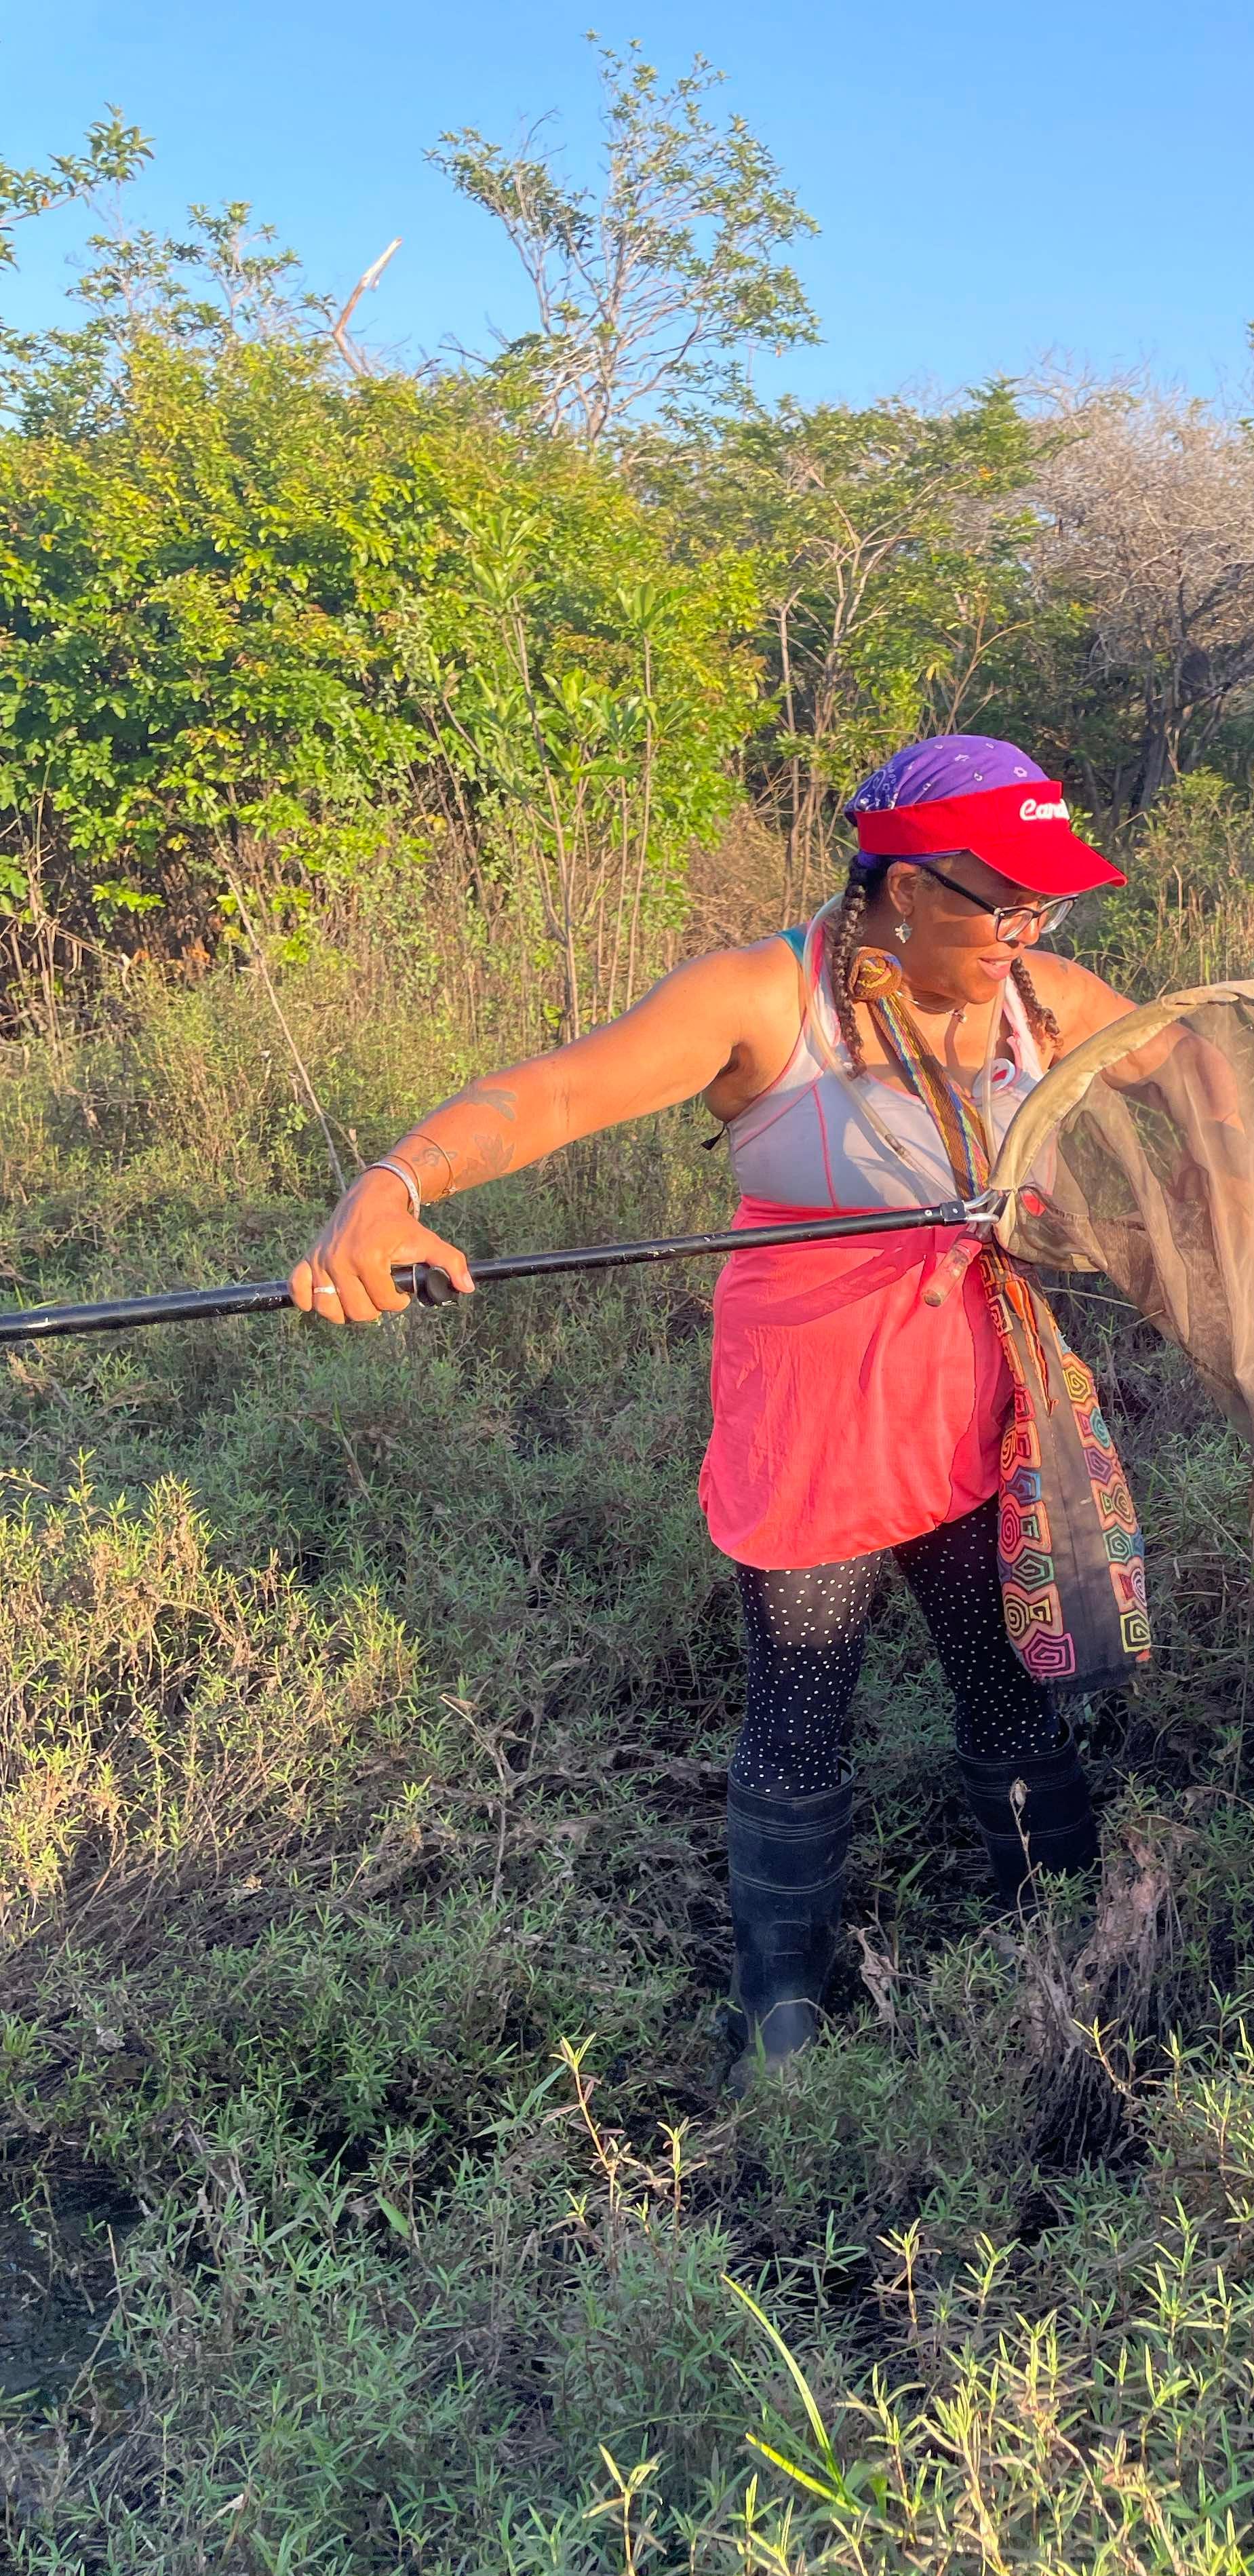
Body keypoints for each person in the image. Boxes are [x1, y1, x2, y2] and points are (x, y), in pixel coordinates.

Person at [294, 735, 1148, 2079]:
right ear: (904, 882)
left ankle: (1053, 1940)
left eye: (1044, 900)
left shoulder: (1047, 993)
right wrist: (396, 1184)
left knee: (1005, 1674)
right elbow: (554, 1094)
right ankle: (780, 2005)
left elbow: (1204, 1079)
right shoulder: (763, 995)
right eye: (996, 895)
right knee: (802, 1692)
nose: (1023, 927)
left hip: (973, 1390)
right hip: (810, 1409)